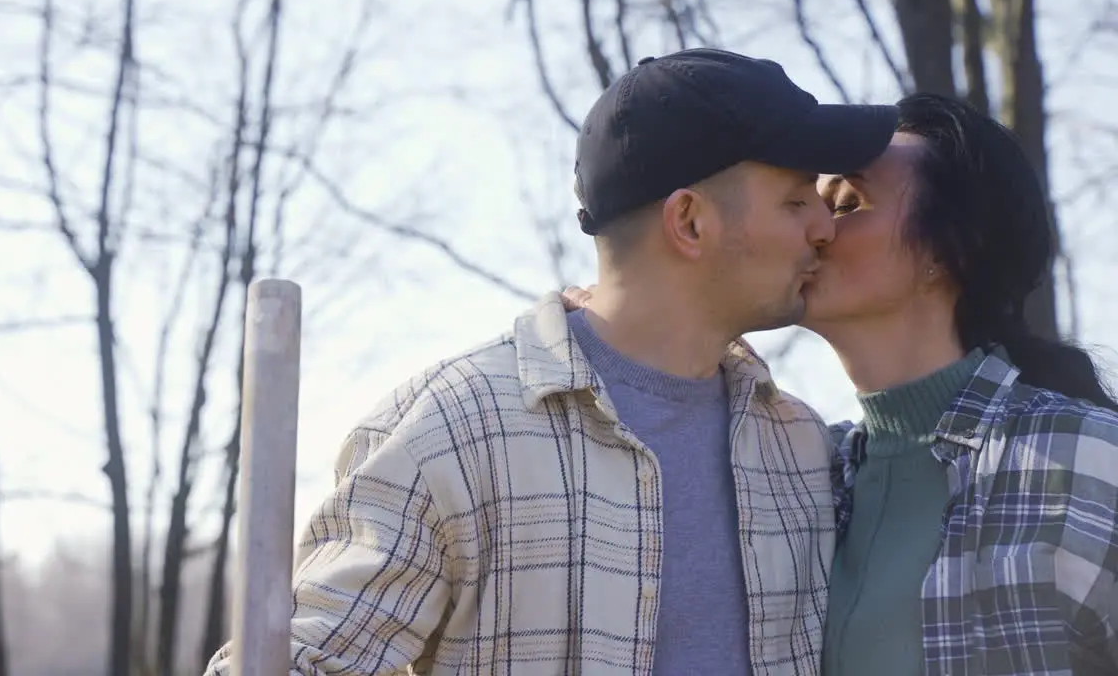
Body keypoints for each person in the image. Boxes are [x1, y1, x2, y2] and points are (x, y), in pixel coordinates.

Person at [202, 48, 897, 676]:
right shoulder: (453, 432)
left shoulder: (800, 448)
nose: (823, 226)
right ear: (689, 223)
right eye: (796, 199)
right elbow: (311, 660)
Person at [564, 92, 1118, 675]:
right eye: (808, 201)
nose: (816, 227)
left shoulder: (1085, 459)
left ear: (951, 250)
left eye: (850, 202)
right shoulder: (804, 476)